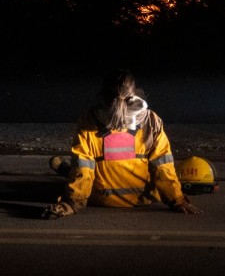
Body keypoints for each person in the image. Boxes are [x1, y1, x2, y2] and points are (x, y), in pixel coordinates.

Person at [41, 69, 203, 219]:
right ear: (136, 93)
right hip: (145, 198)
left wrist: (73, 202)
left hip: (101, 197)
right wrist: (176, 199)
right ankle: (65, 169)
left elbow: (83, 167)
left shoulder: (88, 119)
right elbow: (163, 167)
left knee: (77, 168)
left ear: (103, 94)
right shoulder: (151, 120)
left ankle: (65, 169)